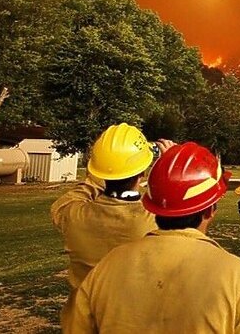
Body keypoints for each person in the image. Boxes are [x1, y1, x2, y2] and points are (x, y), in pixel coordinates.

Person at [67, 142, 240, 333]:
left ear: (152, 206)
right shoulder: (237, 277)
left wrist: (106, 168)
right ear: (210, 210)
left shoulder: (106, 267)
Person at [51, 123, 165, 329]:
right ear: (142, 173)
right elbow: (174, 204)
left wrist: (100, 173)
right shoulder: (152, 220)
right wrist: (167, 162)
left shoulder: (72, 214)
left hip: (83, 323)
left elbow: (69, 200)